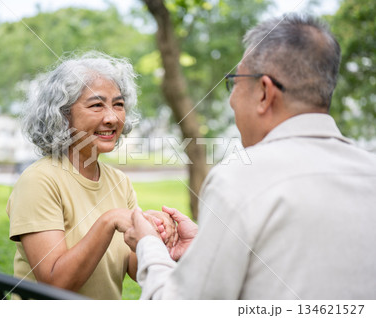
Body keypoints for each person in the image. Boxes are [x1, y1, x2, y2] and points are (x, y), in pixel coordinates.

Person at [124, 13, 376, 299]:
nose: (231, 99)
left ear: (265, 92)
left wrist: (148, 245)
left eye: (235, 81)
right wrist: (204, 247)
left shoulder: (239, 179)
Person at [6, 51, 174, 300]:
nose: (112, 117)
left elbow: (134, 268)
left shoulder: (119, 181)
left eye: (118, 104)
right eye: (97, 105)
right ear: (63, 115)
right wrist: (110, 221)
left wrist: (154, 237)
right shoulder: (39, 181)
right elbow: (55, 283)